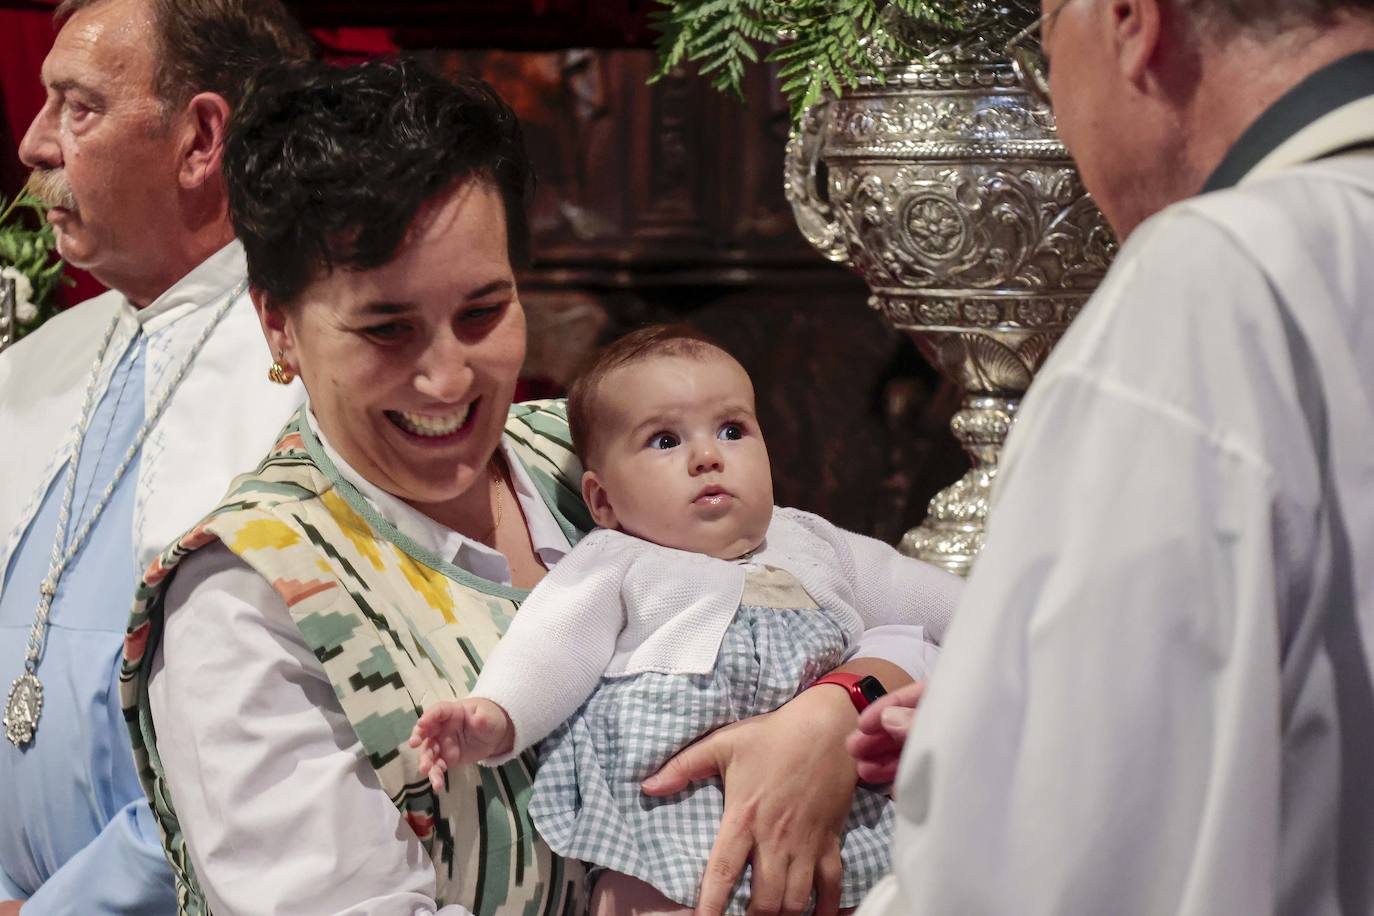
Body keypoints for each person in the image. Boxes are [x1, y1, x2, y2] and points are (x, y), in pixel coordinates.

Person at [119, 58, 951, 916]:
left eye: (482, 312)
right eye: (387, 329)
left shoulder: (594, 449)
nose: (448, 379)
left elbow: (842, 593)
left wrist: (832, 712)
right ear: (277, 324)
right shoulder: (246, 597)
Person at [855, 0, 1374, 913]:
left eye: (1045, 42)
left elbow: (1066, 853)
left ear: (1133, 20)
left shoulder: (1217, 279)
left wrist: (1011, 754)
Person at [409, 325, 958, 915]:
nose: (707, 456)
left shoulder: (811, 541)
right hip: (666, 820)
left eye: (732, 430)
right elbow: (554, 643)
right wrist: (497, 714)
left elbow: (943, 606)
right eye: (665, 441)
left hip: (833, 817)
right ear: (603, 502)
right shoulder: (618, 561)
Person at [0, 0, 311, 912]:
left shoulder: (308, 373)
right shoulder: (34, 364)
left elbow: (271, 741)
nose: (33, 142)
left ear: (201, 137)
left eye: (77, 107)